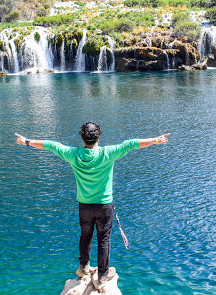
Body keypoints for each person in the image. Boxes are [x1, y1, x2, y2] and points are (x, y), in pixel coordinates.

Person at [14, 121, 169, 284]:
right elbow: (130, 145)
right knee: (104, 239)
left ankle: (83, 267)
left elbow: (52, 146)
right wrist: (156, 140)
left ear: (82, 137)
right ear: (99, 137)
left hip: (85, 205)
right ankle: (103, 274)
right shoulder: (108, 153)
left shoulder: (73, 154)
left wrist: (27, 141)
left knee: (85, 236)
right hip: (104, 205)